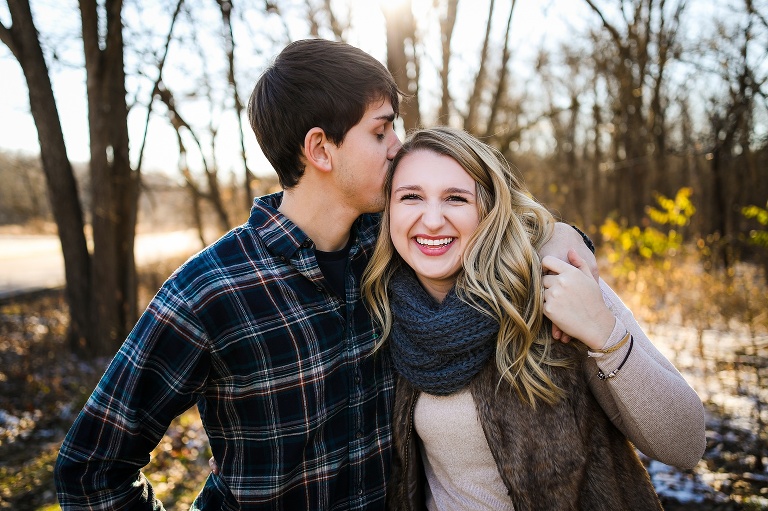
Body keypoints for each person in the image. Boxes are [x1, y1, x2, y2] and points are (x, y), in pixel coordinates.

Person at [54, 39, 595, 510]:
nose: (398, 147)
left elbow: (488, 223)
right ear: (320, 149)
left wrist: (559, 235)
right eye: (381, 131)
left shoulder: (392, 254)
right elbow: (90, 469)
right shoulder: (212, 291)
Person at [361, 126, 706, 511]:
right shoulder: (381, 309)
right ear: (388, 210)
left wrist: (603, 333)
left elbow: (686, 444)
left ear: (488, 211)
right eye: (411, 197)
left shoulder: (555, 284)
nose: (432, 219)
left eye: (456, 199)